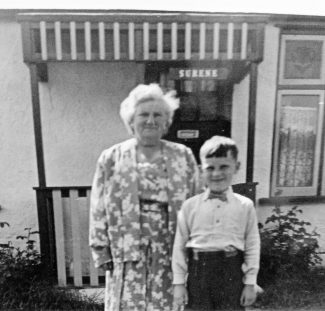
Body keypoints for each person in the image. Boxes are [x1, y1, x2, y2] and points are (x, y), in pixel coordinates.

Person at [89, 83, 200, 311]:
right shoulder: (111, 157)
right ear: (131, 120)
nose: (151, 120)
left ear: (166, 121)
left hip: (170, 247)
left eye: (157, 114)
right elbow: (98, 206)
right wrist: (101, 249)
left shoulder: (183, 156)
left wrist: (197, 247)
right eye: (144, 114)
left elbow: (196, 203)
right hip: (126, 247)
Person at [172, 135, 260, 311]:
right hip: (199, 273)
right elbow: (179, 247)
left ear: (237, 167)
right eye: (210, 168)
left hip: (231, 271)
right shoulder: (190, 206)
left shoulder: (244, 205)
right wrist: (179, 283)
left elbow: (252, 245)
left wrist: (250, 283)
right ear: (200, 170)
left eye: (224, 167)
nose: (217, 173)